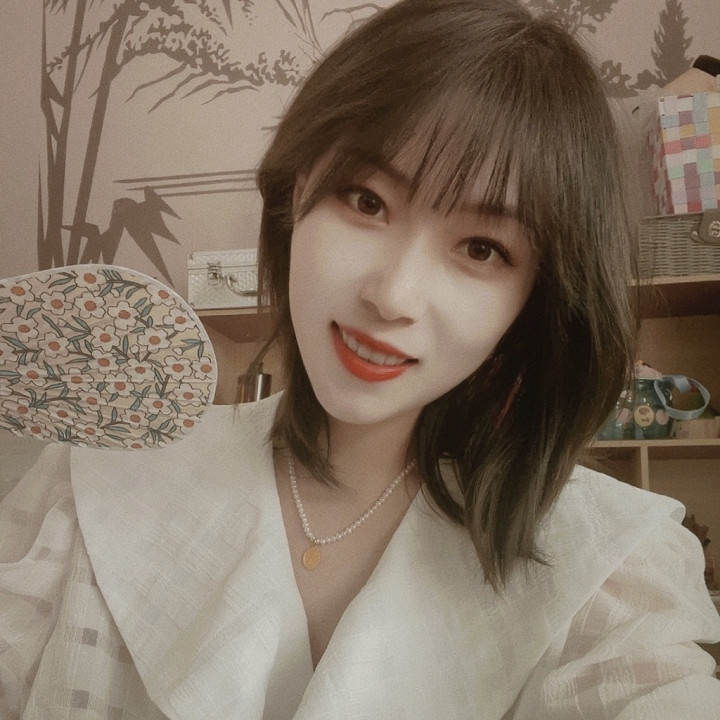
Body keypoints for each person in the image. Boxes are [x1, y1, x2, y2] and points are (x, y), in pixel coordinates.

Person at [1, 0, 719, 717]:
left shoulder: (604, 566)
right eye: (367, 201)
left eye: (481, 249)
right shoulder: (98, 480)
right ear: (296, 196)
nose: (392, 295)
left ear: (532, 301)